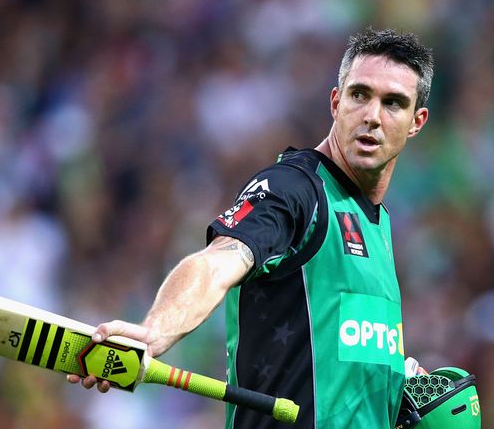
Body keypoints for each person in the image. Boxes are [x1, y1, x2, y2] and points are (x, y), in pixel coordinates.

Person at [68, 27, 433, 428]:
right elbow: (216, 263)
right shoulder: (294, 189)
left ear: (416, 122)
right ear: (335, 102)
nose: (372, 116)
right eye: (360, 95)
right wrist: (153, 333)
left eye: (393, 103)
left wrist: (394, 389)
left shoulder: (378, 223)